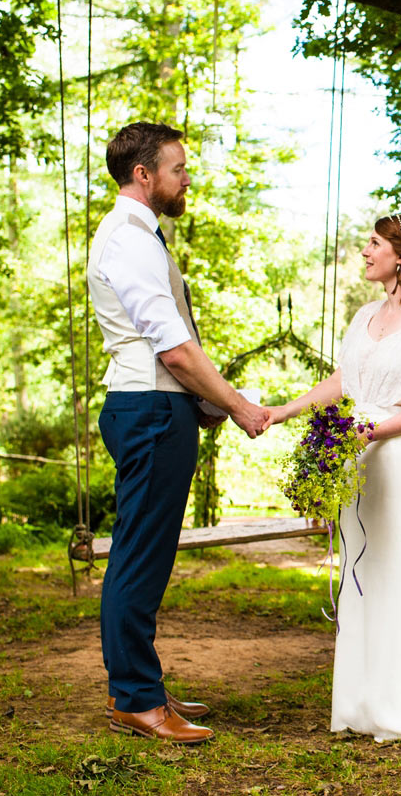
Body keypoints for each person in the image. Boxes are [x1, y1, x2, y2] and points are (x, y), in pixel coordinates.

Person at [266, 213, 401, 741]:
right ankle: (363, 701)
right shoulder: (364, 315)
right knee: (362, 574)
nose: (365, 251)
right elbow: (345, 380)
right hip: (359, 459)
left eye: (374, 243)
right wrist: (283, 410)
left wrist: (377, 431)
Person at [87, 122, 269, 744]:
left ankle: (140, 686)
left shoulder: (137, 235)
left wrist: (203, 401)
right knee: (138, 559)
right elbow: (176, 351)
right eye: (179, 168)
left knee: (144, 554)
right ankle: (135, 700)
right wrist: (237, 405)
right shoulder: (131, 240)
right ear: (145, 175)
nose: (187, 178)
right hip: (152, 411)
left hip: (156, 409)